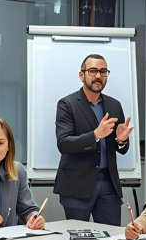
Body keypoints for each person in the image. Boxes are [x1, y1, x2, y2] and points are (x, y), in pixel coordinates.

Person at [54, 54, 133, 227]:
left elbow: (122, 149)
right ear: (81, 75)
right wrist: (95, 135)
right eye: (93, 71)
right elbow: (64, 144)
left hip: (108, 184)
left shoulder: (114, 105)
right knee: (77, 236)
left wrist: (121, 140)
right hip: (77, 184)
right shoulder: (67, 104)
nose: (98, 75)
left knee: (111, 236)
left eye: (103, 71)